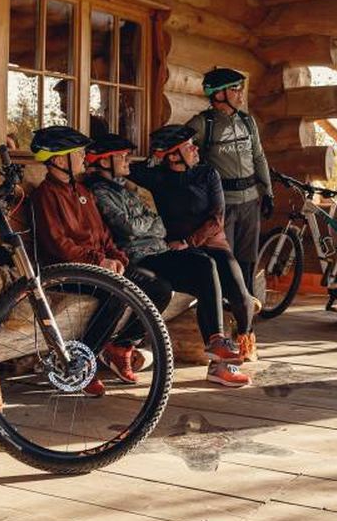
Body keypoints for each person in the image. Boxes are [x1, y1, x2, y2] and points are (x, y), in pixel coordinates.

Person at [84, 133, 249, 387]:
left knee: (205, 265)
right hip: (138, 257)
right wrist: (149, 224)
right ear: (105, 162)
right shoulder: (99, 191)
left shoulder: (123, 188)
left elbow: (157, 224)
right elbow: (128, 228)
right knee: (171, 284)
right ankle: (121, 346)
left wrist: (150, 225)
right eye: (122, 156)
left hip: (159, 251)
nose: (128, 160)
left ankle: (216, 345)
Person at [27, 125, 171, 397]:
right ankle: (82, 366)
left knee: (159, 288)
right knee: (116, 293)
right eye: (78, 153)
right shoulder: (45, 196)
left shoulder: (82, 190)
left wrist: (116, 257)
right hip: (67, 272)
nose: (84, 157)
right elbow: (59, 245)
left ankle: (120, 346)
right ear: (60, 160)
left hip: (96, 267)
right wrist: (99, 262)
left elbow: (103, 234)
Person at [130, 124, 257, 363]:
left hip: (212, 244)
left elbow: (217, 219)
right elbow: (127, 169)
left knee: (240, 296)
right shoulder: (158, 178)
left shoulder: (208, 174)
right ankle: (216, 348)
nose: (195, 149)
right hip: (180, 252)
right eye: (188, 146)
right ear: (173, 155)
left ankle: (245, 336)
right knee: (205, 279)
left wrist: (188, 241)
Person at [186, 68, 273, 305]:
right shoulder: (203, 123)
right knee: (226, 260)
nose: (241, 94)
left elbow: (259, 157)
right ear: (219, 94)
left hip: (250, 201)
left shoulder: (247, 121)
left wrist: (268, 192)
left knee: (247, 259)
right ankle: (223, 312)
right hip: (223, 205)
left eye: (240, 88)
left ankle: (244, 312)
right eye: (235, 89)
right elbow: (181, 154)